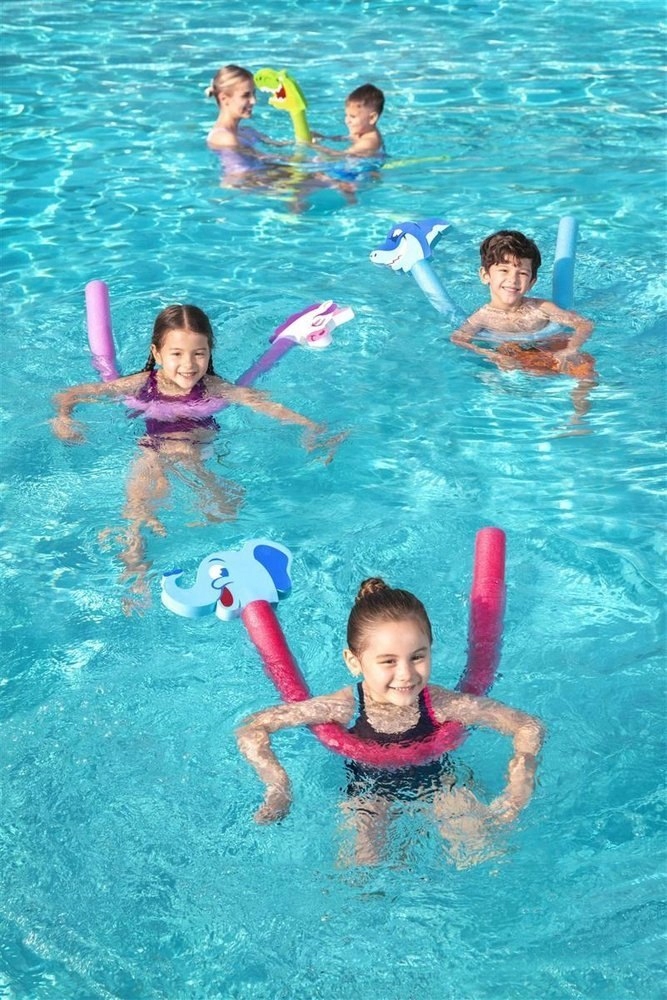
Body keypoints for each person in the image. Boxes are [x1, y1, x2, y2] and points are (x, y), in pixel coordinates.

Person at [51, 304, 343, 613]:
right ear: (157, 353)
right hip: (152, 451)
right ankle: (136, 573)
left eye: (198, 353)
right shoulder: (141, 384)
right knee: (136, 512)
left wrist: (311, 428)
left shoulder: (214, 389)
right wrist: (63, 418)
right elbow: (69, 395)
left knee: (224, 513)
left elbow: (265, 405)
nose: (189, 364)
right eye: (176, 354)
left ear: (209, 352)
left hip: (197, 454)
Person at [236, 577, 544, 866]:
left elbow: (527, 726)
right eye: (388, 661)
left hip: (439, 786)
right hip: (368, 794)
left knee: (481, 852)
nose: (406, 674)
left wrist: (520, 781)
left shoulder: (441, 704)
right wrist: (278, 786)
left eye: (417, 657)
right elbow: (252, 728)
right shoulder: (344, 707)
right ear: (354, 662)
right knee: (360, 869)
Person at [450, 229, 598, 422]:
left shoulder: (541, 307)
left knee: (585, 368)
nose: (513, 279)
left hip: (554, 347)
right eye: (504, 270)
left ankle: (579, 416)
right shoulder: (482, 318)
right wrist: (492, 355)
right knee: (514, 365)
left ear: (531, 282)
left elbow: (583, 324)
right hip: (518, 353)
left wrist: (571, 349)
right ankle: (540, 405)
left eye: (522, 273)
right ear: (485, 275)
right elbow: (458, 339)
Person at [312, 83, 385, 158]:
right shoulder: (361, 130)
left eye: (353, 116)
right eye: (346, 115)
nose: (347, 121)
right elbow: (345, 138)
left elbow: (338, 156)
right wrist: (323, 137)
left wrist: (314, 145)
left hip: (367, 165)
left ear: (372, 118)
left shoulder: (369, 142)